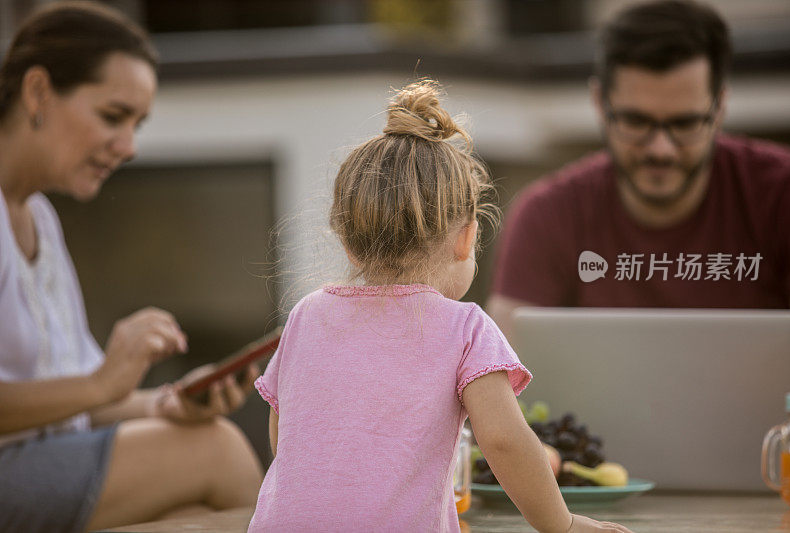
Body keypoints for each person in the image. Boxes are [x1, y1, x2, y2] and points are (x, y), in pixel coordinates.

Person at [247, 80, 632, 532]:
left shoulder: (306, 314)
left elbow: (284, 432)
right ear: (467, 236)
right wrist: (561, 525)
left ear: (349, 244)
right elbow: (505, 442)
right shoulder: (465, 326)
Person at [0, 3, 263, 532]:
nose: (129, 147)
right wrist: (102, 383)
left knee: (192, 515)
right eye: (113, 116)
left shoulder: (41, 222)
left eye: (137, 124)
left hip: (43, 464)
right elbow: (91, 391)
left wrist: (165, 405)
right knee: (214, 451)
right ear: (37, 93)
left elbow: (74, 404)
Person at [488, 0, 790, 338]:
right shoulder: (548, 214)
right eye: (637, 121)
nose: (660, 149)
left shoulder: (787, 194)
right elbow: (500, 368)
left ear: (719, 107)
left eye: (685, 123)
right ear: (599, 103)